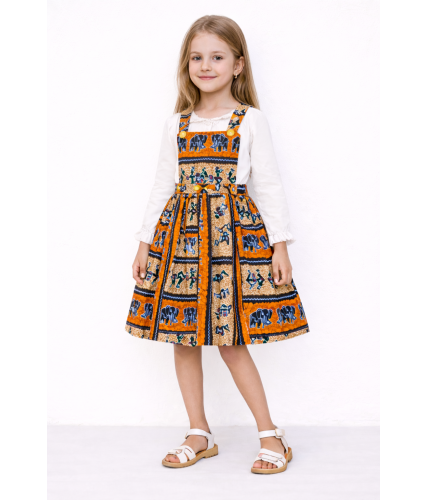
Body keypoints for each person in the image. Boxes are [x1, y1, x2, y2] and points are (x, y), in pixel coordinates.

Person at [126, 15, 309, 474]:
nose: (205, 66)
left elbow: (269, 185)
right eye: (196, 57)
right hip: (180, 242)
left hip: (231, 242)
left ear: (238, 65)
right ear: (186, 64)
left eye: (217, 57)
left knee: (231, 340)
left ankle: (271, 435)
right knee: (182, 337)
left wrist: (280, 245)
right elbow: (162, 185)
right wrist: (145, 242)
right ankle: (199, 431)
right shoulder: (177, 124)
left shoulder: (250, 121)